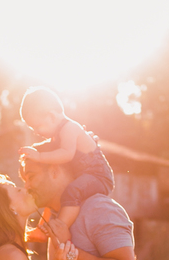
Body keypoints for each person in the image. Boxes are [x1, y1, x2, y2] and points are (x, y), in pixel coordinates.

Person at [18, 88, 115, 243]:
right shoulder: (58, 133)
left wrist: (40, 156)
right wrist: (34, 150)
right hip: (85, 175)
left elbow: (66, 153)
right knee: (54, 193)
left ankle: (61, 225)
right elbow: (50, 146)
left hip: (98, 176)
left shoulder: (70, 128)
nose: (37, 131)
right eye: (33, 129)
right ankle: (42, 229)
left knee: (72, 191)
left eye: (38, 126)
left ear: (51, 116)